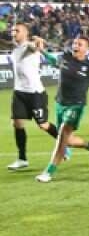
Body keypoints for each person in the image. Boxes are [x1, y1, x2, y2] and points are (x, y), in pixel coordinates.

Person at [35, 37, 89, 183]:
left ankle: (49, 171)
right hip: (60, 104)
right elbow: (52, 59)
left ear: (86, 49)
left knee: (62, 136)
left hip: (77, 105)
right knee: (66, 140)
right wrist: (41, 50)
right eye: (74, 43)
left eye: (80, 44)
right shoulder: (65, 59)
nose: (76, 46)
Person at [6, 23, 61, 171]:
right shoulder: (16, 48)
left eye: (17, 30)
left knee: (43, 125)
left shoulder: (28, 46)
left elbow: (36, 46)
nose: (14, 33)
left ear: (25, 33)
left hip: (35, 93)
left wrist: (38, 41)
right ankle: (22, 158)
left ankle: (63, 144)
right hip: (19, 92)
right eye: (13, 30)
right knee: (17, 124)